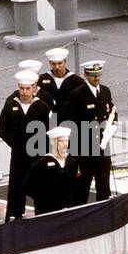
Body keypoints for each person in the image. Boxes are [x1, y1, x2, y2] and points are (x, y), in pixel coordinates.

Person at [0, 68, 51, 220]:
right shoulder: (10, 106)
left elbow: (49, 130)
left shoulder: (42, 107)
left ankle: (43, 217)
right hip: (19, 155)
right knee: (16, 188)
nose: (24, 92)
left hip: (37, 155)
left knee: (40, 188)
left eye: (28, 88)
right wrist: (16, 144)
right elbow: (2, 130)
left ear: (34, 87)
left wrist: (43, 150)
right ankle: (14, 217)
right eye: (21, 88)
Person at [61, 60, 115, 203]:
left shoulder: (105, 91)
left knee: (104, 187)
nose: (97, 78)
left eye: (98, 75)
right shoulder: (77, 95)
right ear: (85, 75)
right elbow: (67, 121)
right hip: (84, 150)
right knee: (81, 188)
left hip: (103, 148)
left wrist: (112, 124)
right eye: (93, 75)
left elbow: (111, 111)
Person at [25, 127, 80, 216]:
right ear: (53, 142)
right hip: (47, 211)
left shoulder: (72, 162)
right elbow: (28, 186)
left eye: (66, 141)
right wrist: (43, 199)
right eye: (61, 141)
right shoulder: (41, 164)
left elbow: (76, 186)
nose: (65, 144)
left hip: (69, 211)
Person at [38, 47, 82, 115]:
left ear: (65, 62)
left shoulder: (77, 81)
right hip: (49, 117)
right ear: (50, 63)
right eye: (54, 64)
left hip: (70, 117)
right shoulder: (41, 80)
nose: (57, 67)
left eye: (60, 63)